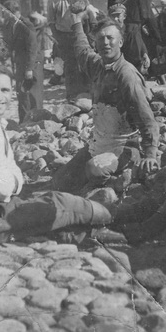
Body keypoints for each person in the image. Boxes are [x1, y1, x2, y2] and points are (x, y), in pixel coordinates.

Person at [0, 62, 166, 245]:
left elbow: (6, 180)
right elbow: (4, 188)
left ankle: (134, 232)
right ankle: (133, 214)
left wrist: (8, 180)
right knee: (59, 203)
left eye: (5, 90)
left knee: (59, 223)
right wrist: (12, 182)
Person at [51, 17, 159, 197]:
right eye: (101, 39)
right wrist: (77, 21)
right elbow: (81, 51)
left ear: (121, 42)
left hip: (125, 147)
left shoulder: (127, 75)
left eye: (110, 38)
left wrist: (151, 154)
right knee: (60, 182)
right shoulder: (97, 65)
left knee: (94, 170)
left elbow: (146, 117)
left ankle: (121, 179)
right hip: (99, 143)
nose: (105, 43)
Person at [47, 0, 90, 100]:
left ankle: (82, 93)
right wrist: (58, 39)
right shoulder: (54, 1)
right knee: (70, 67)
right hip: (63, 36)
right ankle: (71, 94)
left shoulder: (75, 0)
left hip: (76, 34)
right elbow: (51, 22)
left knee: (81, 64)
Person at [1, 1, 44, 122]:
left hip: (32, 63)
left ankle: (37, 121)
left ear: (13, 12)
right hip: (20, 63)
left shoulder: (26, 25)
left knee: (34, 94)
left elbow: (32, 48)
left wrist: (29, 69)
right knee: (22, 93)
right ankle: (24, 121)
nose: (3, 14)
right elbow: (8, 44)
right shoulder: (10, 24)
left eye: (5, 11)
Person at [108, 3, 149, 73]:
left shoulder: (132, 28)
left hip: (132, 60)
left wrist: (145, 53)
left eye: (118, 15)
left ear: (124, 16)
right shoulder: (109, 31)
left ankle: (139, 66)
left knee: (134, 33)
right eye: (113, 16)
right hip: (117, 62)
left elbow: (140, 42)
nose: (115, 19)